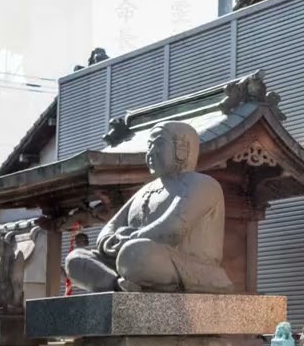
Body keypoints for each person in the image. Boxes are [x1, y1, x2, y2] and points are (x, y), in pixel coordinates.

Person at [64, 121, 233, 293]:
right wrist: (109, 241)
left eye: (158, 144)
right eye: (149, 145)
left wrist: (127, 239)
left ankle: (126, 279)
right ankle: (117, 285)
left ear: (182, 148)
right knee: (75, 258)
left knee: (136, 254)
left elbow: (172, 229)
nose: (150, 152)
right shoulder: (145, 190)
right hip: (128, 257)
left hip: (181, 263)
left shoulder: (201, 184)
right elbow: (110, 227)